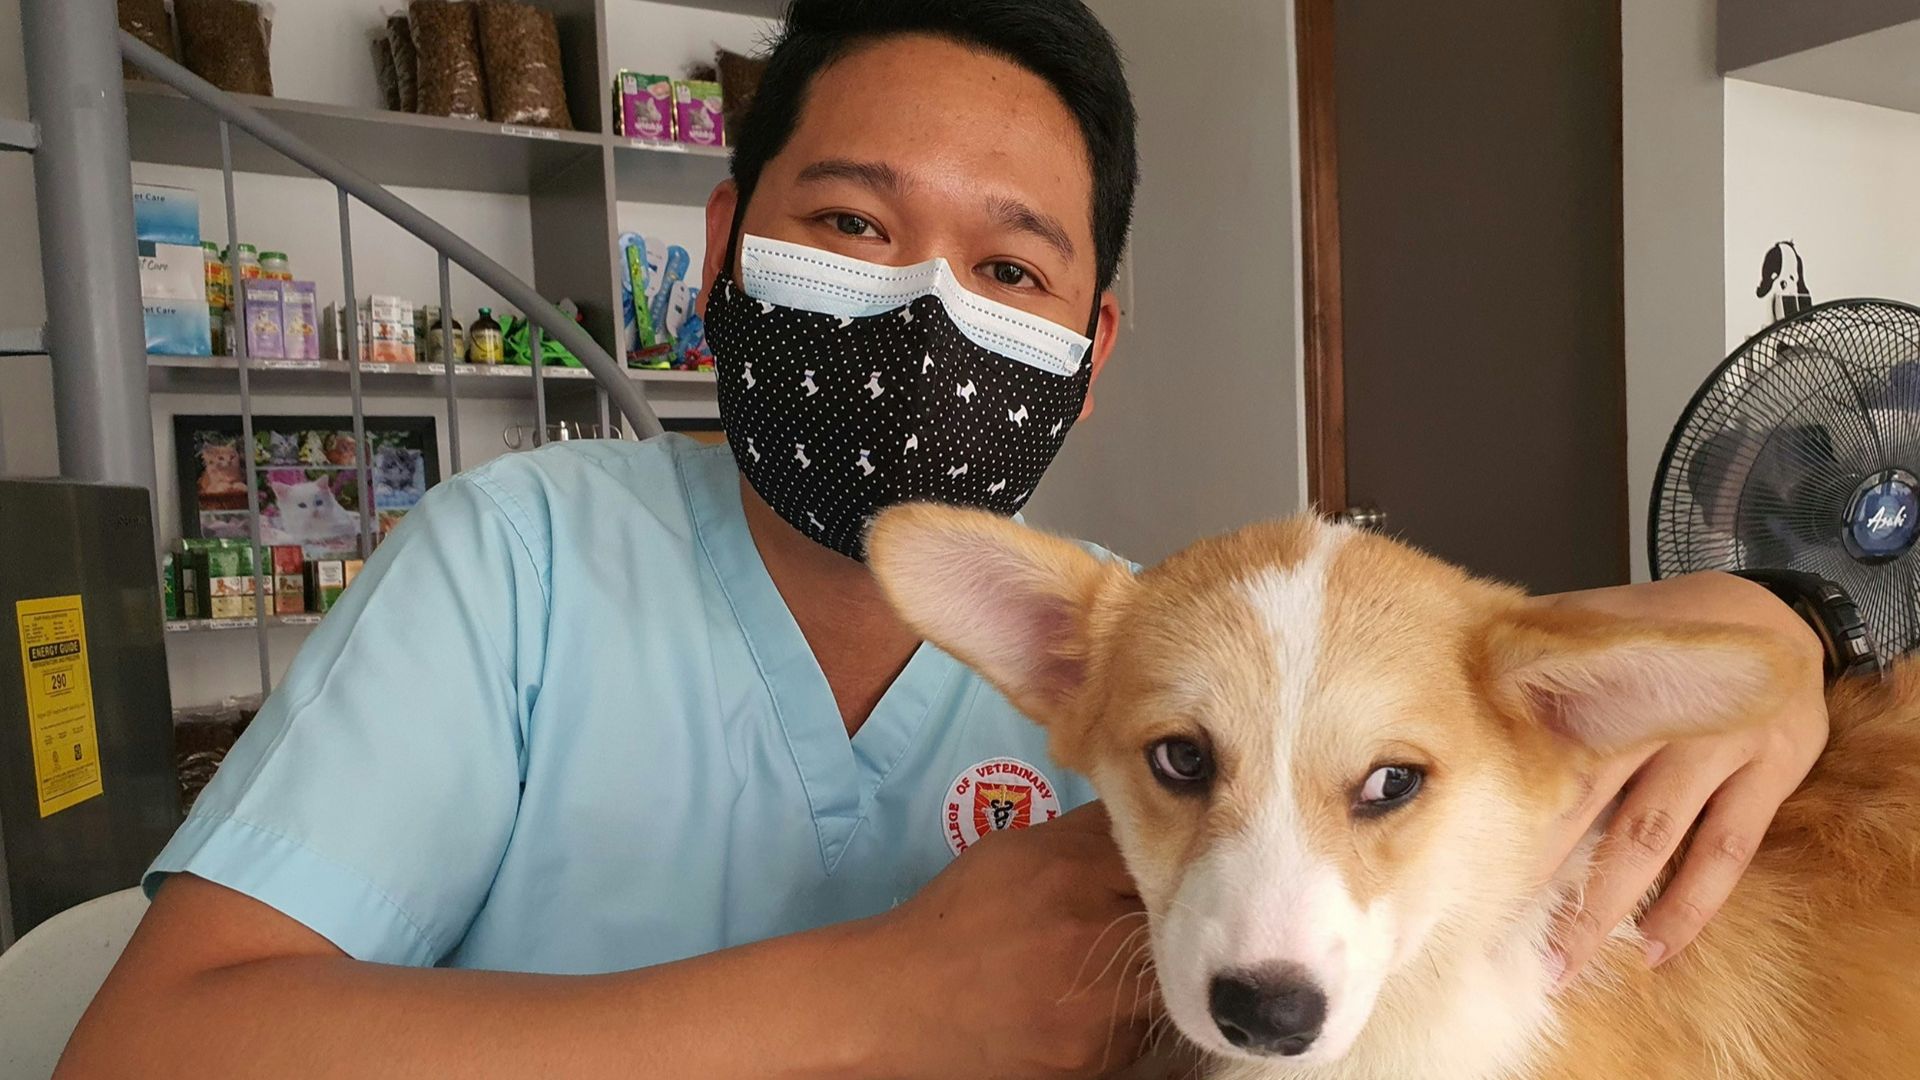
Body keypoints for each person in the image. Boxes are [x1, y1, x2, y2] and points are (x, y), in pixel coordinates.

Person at [59, 1, 1828, 1076]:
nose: (925, 309)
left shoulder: (1147, 658)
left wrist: (1801, 633)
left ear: (1090, 340)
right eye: (849, 220)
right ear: (733, 243)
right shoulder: (510, 564)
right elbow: (152, 1055)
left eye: (1009, 267)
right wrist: (875, 1000)